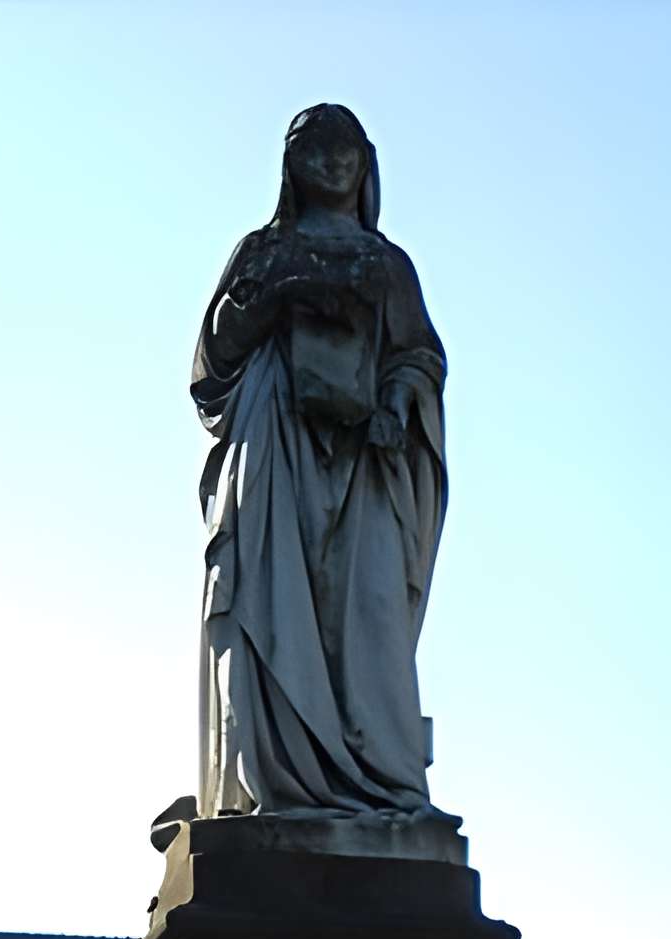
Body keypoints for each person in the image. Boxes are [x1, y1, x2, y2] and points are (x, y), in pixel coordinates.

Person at [192, 103, 447, 818]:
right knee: (270, 606)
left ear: (365, 164)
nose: (333, 164)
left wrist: (398, 402)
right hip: (276, 443)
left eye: (346, 152)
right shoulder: (263, 250)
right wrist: (274, 295)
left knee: (368, 610)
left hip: (365, 458)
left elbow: (418, 354)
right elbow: (215, 356)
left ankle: (382, 781)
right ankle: (272, 783)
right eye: (317, 151)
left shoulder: (386, 263)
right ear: (291, 165)